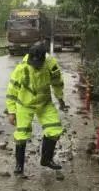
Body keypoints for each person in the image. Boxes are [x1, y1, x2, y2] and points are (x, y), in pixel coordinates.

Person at [5, 41, 68, 175]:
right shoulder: (22, 68)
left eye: (38, 64)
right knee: (21, 134)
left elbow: (57, 83)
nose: (36, 67)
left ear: (43, 59)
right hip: (24, 104)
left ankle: (46, 159)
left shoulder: (51, 66)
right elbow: (12, 91)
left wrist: (60, 98)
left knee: (55, 129)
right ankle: (19, 165)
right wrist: (11, 111)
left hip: (44, 103)